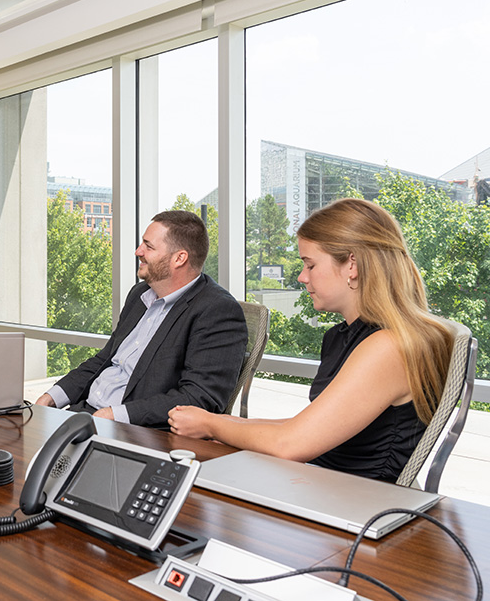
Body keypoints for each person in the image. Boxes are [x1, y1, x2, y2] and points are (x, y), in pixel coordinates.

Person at [168, 198, 452, 482]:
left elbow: (290, 443)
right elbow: (307, 428)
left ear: (351, 264)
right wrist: (225, 425)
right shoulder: (344, 337)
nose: (302, 277)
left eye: (310, 265)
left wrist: (212, 425)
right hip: (326, 485)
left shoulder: (388, 347)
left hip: (358, 505)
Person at [37, 210, 248, 427]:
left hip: (137, 432)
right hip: (87, 415)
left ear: (179, 258)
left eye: (149, 246)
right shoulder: (139, 295)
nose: (138, 251)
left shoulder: (217, 311)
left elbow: (199, 398)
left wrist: (113, 415)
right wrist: (53, 396)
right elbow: (106, 359)